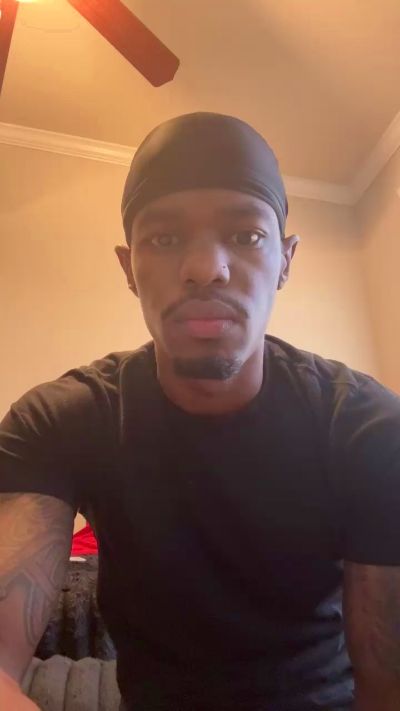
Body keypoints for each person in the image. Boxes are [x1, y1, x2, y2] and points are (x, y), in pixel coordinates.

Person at [1, 112, 400, 711]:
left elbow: (387, 686)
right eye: (164, 239)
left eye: (247, 237)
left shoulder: (367, 427)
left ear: (286, 261)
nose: (206, 268)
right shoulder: (63, 420)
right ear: (128, 269)